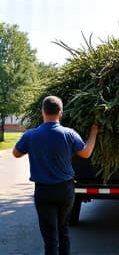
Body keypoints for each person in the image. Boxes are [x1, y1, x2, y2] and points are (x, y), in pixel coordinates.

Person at [12, 95, 99, 255]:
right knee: (63, 231)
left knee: (50, 237)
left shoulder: (31, 135)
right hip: (65, 190)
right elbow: (86, 153)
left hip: (43, 191)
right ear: (61, 112)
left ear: (42, 112)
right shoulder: (69, 133)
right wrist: (93, 132)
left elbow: (16, 153)